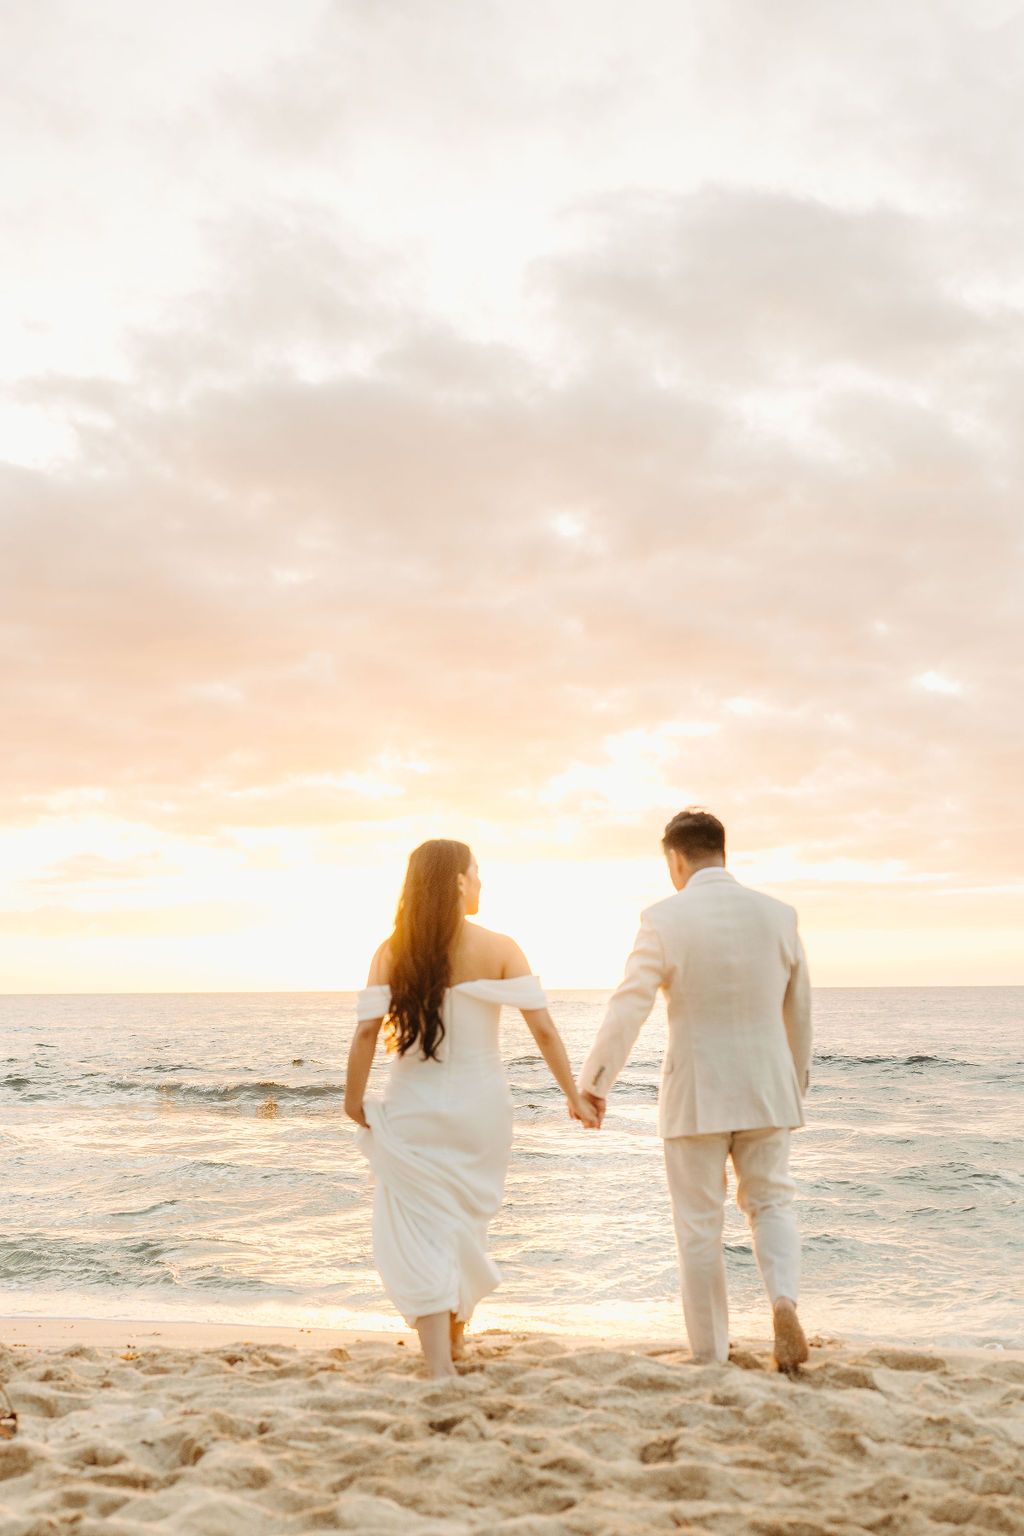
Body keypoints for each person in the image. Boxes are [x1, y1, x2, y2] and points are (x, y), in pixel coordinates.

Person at [345, 838, 598, 1378]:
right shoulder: (501, 946)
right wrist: (572, 1095)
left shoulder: (392, 951)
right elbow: (545, 1031)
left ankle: (441, 1358)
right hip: (481, 1109)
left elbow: (368, 1031)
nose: (482, 882)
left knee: (422, 1227)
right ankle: (451, 1347)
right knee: (462, 1222)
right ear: (458, 880)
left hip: (412, 1104)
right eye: (477, 872)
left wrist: (352, 1099)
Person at [576, 808, 812, 1371]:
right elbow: (798, 1012)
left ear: (675, 858)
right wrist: (792, 1086)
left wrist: (595, 1082)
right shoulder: (779, 916)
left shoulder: (663, 918)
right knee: (773, 1203)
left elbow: (628, 1005)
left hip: (696, 1095)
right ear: (722, 852)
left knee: (700, 1228)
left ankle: (710, 1355)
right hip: (767, 1090)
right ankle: (783, 1300)